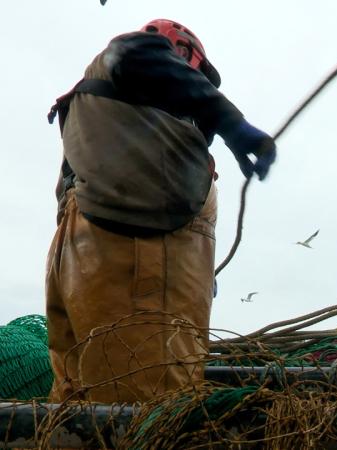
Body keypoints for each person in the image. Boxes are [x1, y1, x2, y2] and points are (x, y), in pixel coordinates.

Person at [45, 19, 276, 403]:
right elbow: (136, 53)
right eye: (195, 76)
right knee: (152, 410)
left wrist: (200, 275)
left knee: (75, 409)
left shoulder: (104, 113)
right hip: (136, 280)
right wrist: (234, 125)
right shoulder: (132, 55)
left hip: (80, 268)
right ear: (181, 53)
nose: (195, 95)